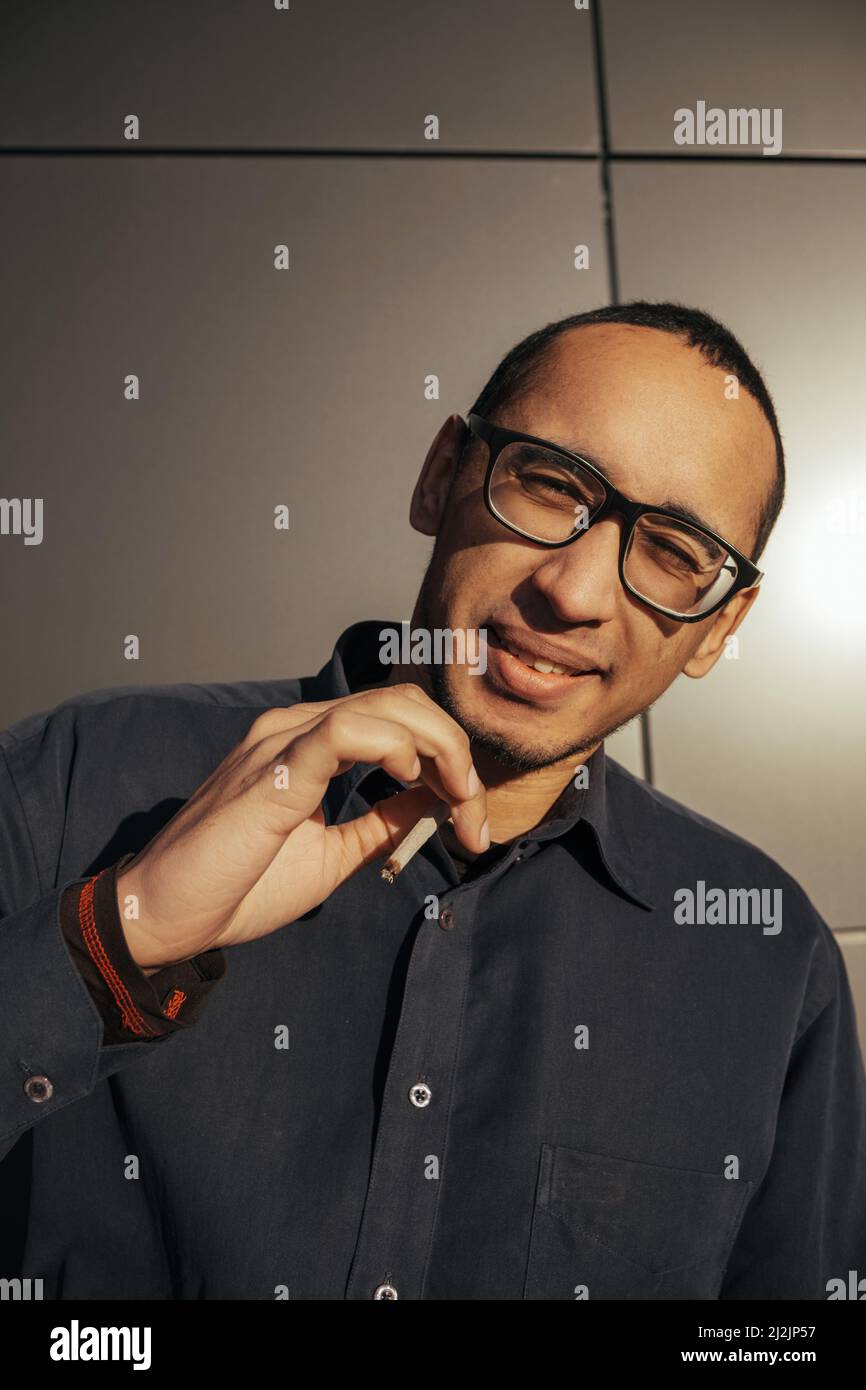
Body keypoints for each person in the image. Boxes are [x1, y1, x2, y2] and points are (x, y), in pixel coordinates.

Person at [1, 301, 864, 1300]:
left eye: (673, 551)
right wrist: (119, 937)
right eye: (550, 484)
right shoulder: (74, 777)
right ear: (441, 472)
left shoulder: (766, 957)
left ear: (718, 626)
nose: (574, 591)